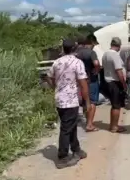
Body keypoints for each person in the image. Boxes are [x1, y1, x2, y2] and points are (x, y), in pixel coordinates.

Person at [46, 39, 89, 169]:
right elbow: (83, 83)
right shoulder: (77, 63)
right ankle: (63, 156)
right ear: (75, 48)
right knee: (66, 128)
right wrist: (87, 102)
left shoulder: (57, 62)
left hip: (60, 99)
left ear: (63, 48)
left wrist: (56, 86)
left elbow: (48, 76)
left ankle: (76, 150)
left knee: (71, 125)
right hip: (70, 101)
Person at [101, 37, 128, 133]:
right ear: (119, 46)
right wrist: (124, 84)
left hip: (108, 81)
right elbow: (119, 71)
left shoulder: (105, 54)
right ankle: (114, 127)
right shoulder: (115, 55)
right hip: (115, 82)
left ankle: (113, 125)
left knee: (114, 105)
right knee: (117, 106)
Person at [76, 35, 100, 132]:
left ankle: (87, 121)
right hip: (91, 81)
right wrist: (97, 70)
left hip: (80, 81)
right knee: (93, 101)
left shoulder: (77, 53)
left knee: (85, 101)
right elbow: (96, 63)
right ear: (92, 43)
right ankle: (89, 124)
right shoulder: (91, 52)